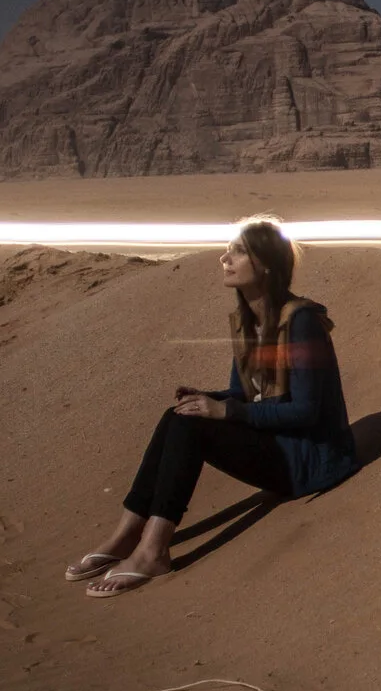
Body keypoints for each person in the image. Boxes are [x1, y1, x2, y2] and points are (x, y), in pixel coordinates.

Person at [67, 217, 358, 598]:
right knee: (181, 415)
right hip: (279, 445)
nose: (225, 257)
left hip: (309, 462)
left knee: (193, 426)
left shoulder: (300, 322)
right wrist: (210, 398)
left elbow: (306, 412)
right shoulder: (248, 324)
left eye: (238, 251)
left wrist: (226, 412)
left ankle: (153, 552)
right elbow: (242, 395)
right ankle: (125, 536)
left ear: (266, 263)